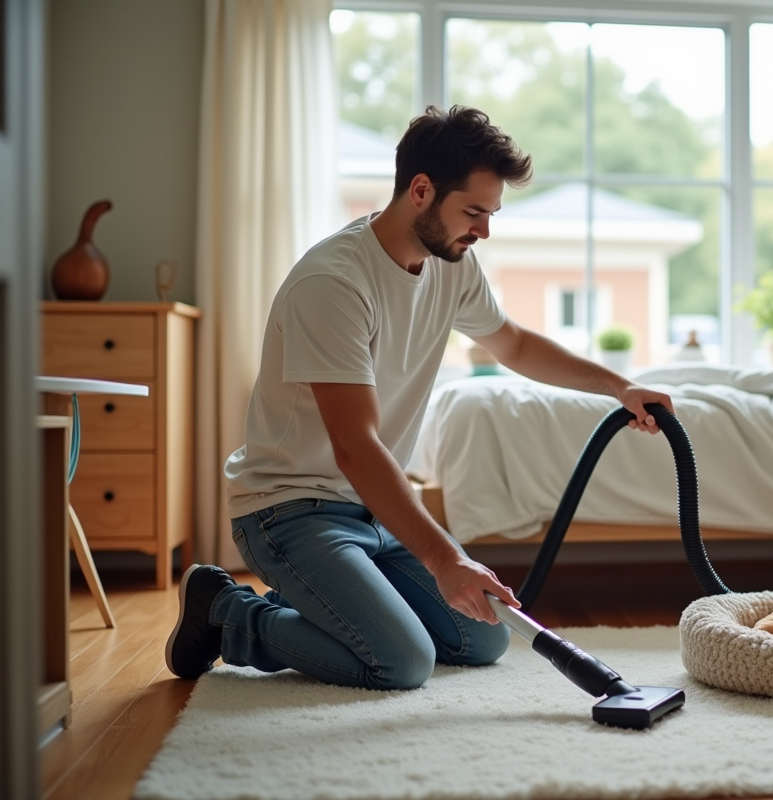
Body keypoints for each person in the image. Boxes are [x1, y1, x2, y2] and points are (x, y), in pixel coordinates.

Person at [165, 105, 675, 690]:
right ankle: (228, 613)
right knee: (401, 661)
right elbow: (355, 447)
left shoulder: (451, 263)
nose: (483, 231)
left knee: (482, 636)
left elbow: (512, 343)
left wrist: (619, 387)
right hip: (291, 509)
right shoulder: (334, 283)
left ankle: (335, 606)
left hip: (375, 510)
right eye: (474, 212)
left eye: (490, 214)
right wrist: (444, 559)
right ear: (421, 190)